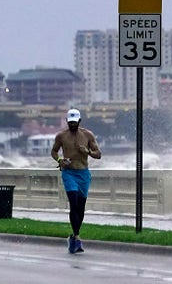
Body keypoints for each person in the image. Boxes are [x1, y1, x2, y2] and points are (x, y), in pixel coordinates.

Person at [51, 108, 101, 254]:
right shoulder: (61, 136)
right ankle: (77, 238)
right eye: (70, 122)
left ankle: (73, 237)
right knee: (73, 203)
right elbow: (54, 151)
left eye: (75, 122)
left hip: (83, 174)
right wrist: (60, 160)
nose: (73, 124)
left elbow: (98, 154)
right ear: (67, 121)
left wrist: (88, 152)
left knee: (81, 207)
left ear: (79, 121)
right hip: (69, 173)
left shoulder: (87, 135)